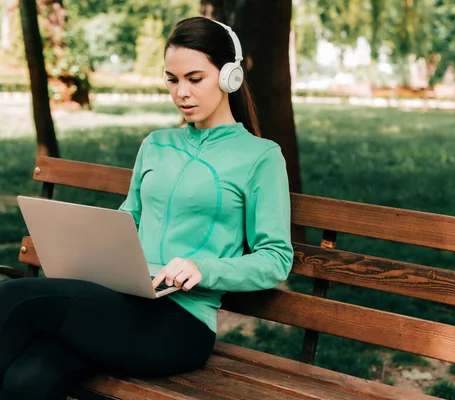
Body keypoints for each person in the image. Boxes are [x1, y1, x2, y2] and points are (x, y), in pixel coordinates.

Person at [0, 16, 293, 400]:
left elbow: (276, 258)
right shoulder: (156, 144)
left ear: (228, 77)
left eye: (195, 78)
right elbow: (129, 217)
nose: (181, 92)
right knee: (27, 380)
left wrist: (203, 268)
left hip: (179, 324)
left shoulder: (261, 157)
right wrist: (89, 243)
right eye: (172, 80)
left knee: (15, 298)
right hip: (119, 305)